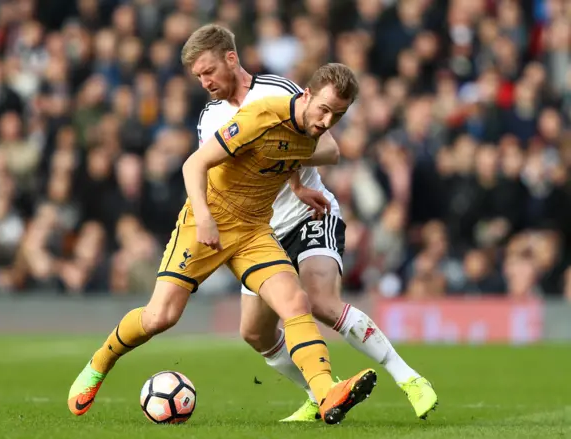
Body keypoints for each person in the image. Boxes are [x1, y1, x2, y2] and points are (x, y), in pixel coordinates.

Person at [68, 61, 376, 425]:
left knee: (295, 302)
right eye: (324, 110)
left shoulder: (306, 127)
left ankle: (327, 393)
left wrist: (297, 187)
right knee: (160, 317)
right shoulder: (259, 116)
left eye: (336, 116)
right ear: (305, 95)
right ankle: (100, 362)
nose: (327, 122)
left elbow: (284, 153)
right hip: (207, 221)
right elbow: (193, 165)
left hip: (253, 230)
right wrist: (205, 217)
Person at [185, 24, 438, 421]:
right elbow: (221, 169)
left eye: (208, 72)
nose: (204, 82)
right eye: (198, 76)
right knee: (254, 333)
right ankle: (320, 393)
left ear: (230, 58)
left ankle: (409, 378)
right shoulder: (210, 117)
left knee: (319, 301)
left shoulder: (277, 91)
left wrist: (297, 182)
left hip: (307, 215)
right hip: (258, 231)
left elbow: (325, 145)